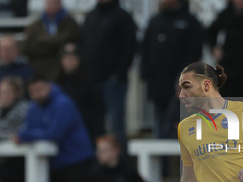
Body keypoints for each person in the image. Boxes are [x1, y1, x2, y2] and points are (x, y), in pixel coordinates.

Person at [16, 76, 94, 182]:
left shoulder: (63, 104)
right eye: (33, 92)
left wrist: (25, 135)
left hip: (75, 161)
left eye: (40, 89)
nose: (37, 94)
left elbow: (54, 134)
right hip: (53, 164)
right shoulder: (33, 108)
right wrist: (28, 134)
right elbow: (31, 128)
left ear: (48, 86)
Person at [140, 0, 203, 137]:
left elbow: (194, 53)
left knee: (183, 127)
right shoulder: (155, 21)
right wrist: (146, 74)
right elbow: (145, 49)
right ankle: (163, 158)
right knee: (160, 125)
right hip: (158, 86)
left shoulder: (190, 22)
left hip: (181, 87)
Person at [79, 0, 137, 147]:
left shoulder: (123, 17)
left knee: (115, 125)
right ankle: (98, 164)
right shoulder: (91, 16)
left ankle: (119, 163)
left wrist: (117, 74)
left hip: (113, 82)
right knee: (95, 124)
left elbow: (129, 47)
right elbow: (83, 45)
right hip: (92, 81)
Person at [56, 43, 104, 143]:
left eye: (73, 58)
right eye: (67, 58)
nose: (70, 61)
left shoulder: (89, 80)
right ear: (61, 61)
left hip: (86, 130)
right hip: (63, 132)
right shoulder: (56, 83)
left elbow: (99, 108)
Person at [23, 0, 79, 80]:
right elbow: (26, 48)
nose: (52, 5)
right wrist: (54, 45)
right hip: (37, 69)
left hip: (61, 71)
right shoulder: (35, 26)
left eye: (55, 3)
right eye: (50, 3)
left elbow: (65, 40)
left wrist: (41, 41)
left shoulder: (70, 23)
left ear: (60, 4)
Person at [0, 36, 34, 101]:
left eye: (10, 49)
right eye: (3, 50)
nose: (6, 53)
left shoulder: (28, 72)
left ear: (17, 51)